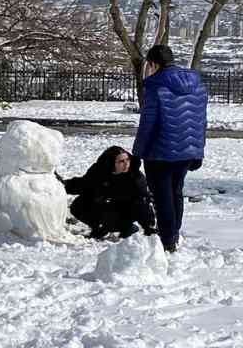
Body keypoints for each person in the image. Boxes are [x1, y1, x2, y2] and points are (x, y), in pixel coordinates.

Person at [132, 44, 207, 254]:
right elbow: (200, 121)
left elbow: (148, 123)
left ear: (153, 64)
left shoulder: (155, 86)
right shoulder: (197, 85)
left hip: (159, 152)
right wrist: (198, 150)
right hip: (186, 151)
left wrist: (138, 153)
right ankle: (173, 233)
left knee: (162, 196)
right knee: (176, 192)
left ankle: (167, 241)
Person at [59, 146, 157, 240]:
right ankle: (99, 228)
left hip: (126, 210)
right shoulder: (99, 171)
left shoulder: (135, 177)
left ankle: (126, 228)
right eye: (121, 161)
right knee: (78, 205)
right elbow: (84, 184)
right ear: (111, 163)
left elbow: (143, 202)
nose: (126, 164)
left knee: (135, 206)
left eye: (127, 160)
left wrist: (148, 226)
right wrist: (63, 185)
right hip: (105, 205)